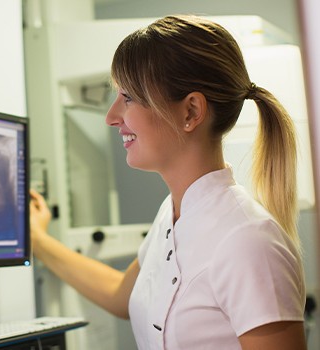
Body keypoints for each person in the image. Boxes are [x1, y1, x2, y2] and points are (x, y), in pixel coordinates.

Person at [30, 14, 306, 350]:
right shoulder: (173, 214)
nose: (111, 116)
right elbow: (122, 295)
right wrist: (38, 240)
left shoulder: (248, 241)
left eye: (128, 97)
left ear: (190, 112)